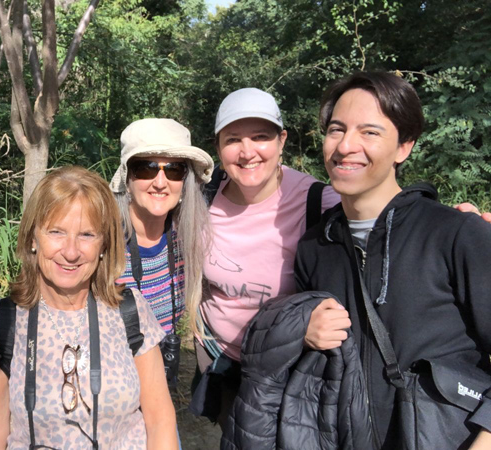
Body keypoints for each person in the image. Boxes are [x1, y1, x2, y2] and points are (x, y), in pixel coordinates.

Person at [297, 71, 491, 448]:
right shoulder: (314, 247)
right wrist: (301, 333)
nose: (345, 146)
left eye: (369, 132)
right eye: (336, 129)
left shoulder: (455, 234)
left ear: (404, 147)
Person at [0, 166, 177, 449]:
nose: (70, 251)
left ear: (104, 244)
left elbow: (160, 420)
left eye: (87, 235)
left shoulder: (130, 312)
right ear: (33, 238)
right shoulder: (5, 321)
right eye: (56, 232)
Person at [190, 88, 342, 428]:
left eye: (260, 137)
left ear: (281, 140)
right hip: (220, 359)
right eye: (233, 140)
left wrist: (449, 225)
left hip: (287, 371)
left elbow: (383, 224)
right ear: (218, 147)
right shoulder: (203, 198)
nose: (247, 152)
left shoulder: (318, 201)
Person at [109, 118, 213, 348]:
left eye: (174, 170)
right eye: (146, 168)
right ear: (127, 179)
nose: (160, 182)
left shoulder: (188, 238)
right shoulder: (103, 243)